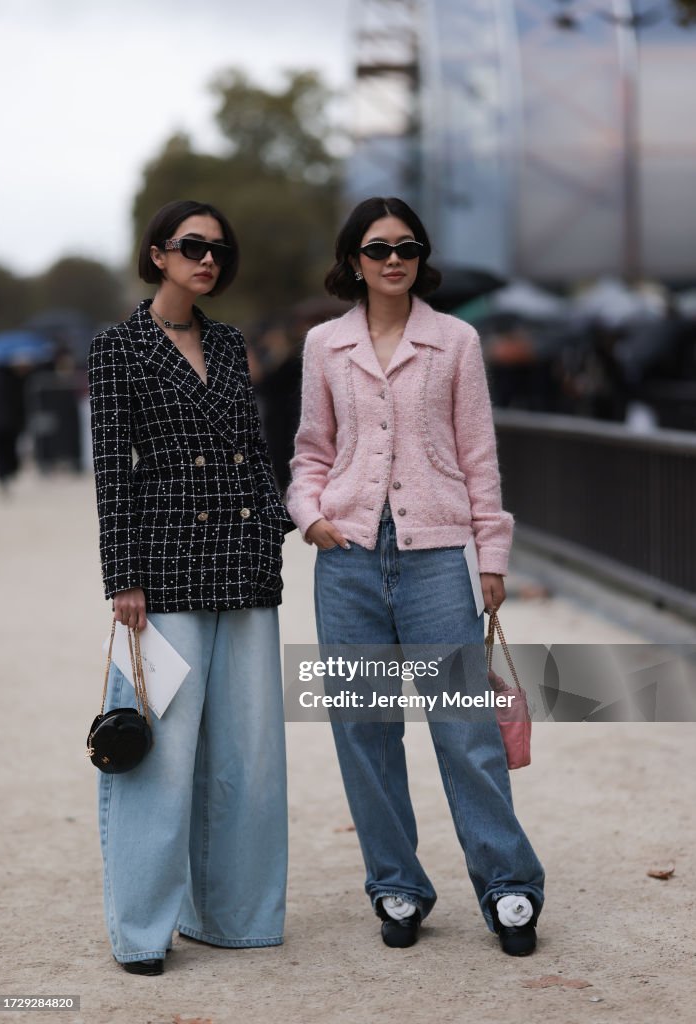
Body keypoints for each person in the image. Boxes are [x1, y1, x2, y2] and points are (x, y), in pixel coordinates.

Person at [286, 196, 544, 955]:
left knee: (464, 728)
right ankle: (396, 885)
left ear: (420, 257)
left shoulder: (455, 340)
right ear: (354, 259)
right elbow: (310, 448)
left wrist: (490, 556)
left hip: (438, 556)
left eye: (406, 246)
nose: (393, 259)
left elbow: (478, 455)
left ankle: (509, 888)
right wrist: (309, 513)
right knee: (364, 728)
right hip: (347, 558)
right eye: (377, 248)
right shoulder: (324, 345)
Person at [88, 199, 294, 975]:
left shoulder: (233, 342)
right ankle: (141, 930)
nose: (209, 259)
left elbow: (253, 444)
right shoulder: (118, 348)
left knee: (249, 750)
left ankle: (236, 916)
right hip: (165, 567)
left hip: (243, 560)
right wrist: (124, 577)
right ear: (158, 254)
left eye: (218, 250)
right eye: (193, 246)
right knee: (162, 756)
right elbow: (113, 470)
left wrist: (272, 521)